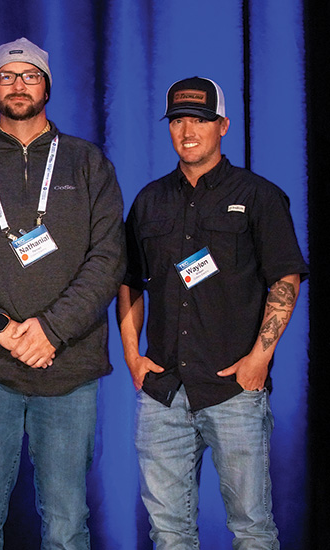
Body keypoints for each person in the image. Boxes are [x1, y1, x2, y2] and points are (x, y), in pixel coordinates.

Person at [0, 37, 125, 548]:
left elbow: (108, 257)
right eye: (7, 75)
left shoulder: (87, 162)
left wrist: (51, 329)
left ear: (47, 85)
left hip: (68, 366)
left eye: (29, 75)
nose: (18, 84)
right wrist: (1, 328)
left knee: (68, 522)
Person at [118, 76, 307, 548]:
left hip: (233, 391)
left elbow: (285, 278)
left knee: (251, 529)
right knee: (168, 532)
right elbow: (129, 282)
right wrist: (132, 357)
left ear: (222, 125)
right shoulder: (148, 201)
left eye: (199, 120)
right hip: (162, 394)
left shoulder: (259, 196)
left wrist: (259, 360)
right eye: (178, 120)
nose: (188, 130)